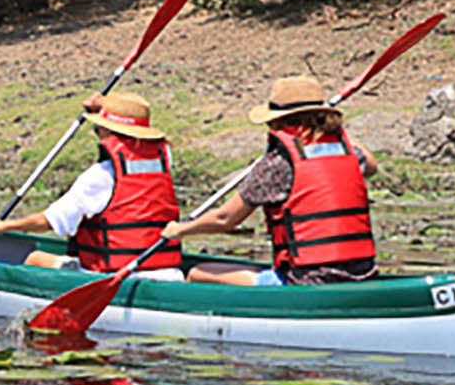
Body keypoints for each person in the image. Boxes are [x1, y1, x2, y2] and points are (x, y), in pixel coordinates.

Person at [157, 75, 378, 286]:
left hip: (303, 280)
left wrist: (180, 230)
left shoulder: (277, 164)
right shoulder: (349, 152)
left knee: (197, 273)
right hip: (362, 274)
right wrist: (331, 131)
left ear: (276, 120)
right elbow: (371, 165)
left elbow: (225, 219)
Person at [0, 92, 184, 279]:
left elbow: (49, 221)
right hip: (170, 274)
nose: (97, 132)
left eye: (98, 128)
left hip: (112, 277)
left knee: (36, 258)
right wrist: (103, 108)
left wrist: (4, 226)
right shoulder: (163, 161)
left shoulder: (99, 176)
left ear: (106, 131)